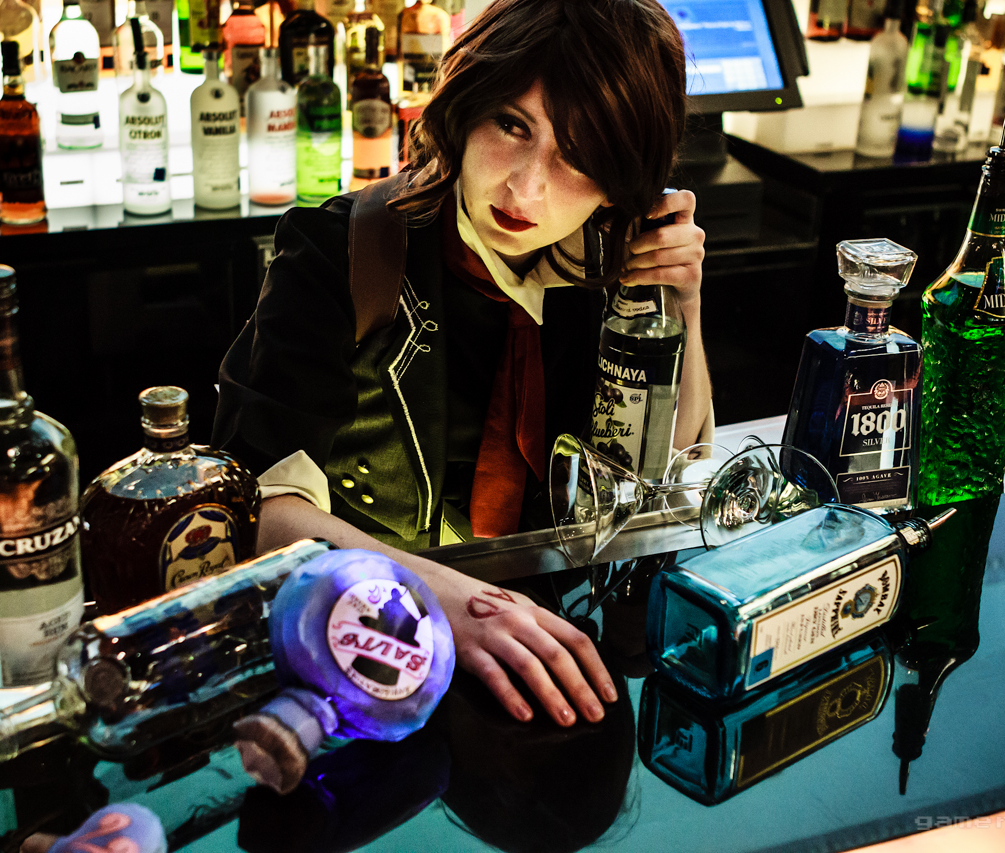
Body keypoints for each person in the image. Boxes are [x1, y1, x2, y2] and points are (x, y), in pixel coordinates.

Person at [211, 0, 709, 728]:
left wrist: (680, 305)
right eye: (513, 125)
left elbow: (664, 476)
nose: (525, 189)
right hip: (362, 649)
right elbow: (255, 508)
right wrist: (442, 597)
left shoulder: (604, 275)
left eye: (579, 157)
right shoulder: (338, 251)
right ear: (466, 107)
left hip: (554, 652)